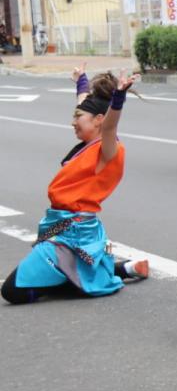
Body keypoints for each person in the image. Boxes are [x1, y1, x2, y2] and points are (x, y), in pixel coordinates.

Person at [3, 68, 150, 304]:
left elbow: (110, 126)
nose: (72, 122)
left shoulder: (107, 149)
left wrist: (119, 97)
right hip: (64, 226)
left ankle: (107, 274)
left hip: (74, 232)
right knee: (66, 271)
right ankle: (123, 269)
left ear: (99, 120)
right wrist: (81, 80)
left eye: (77, 117)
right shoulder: (89, 140)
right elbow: (84, 103)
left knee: (12, 292)